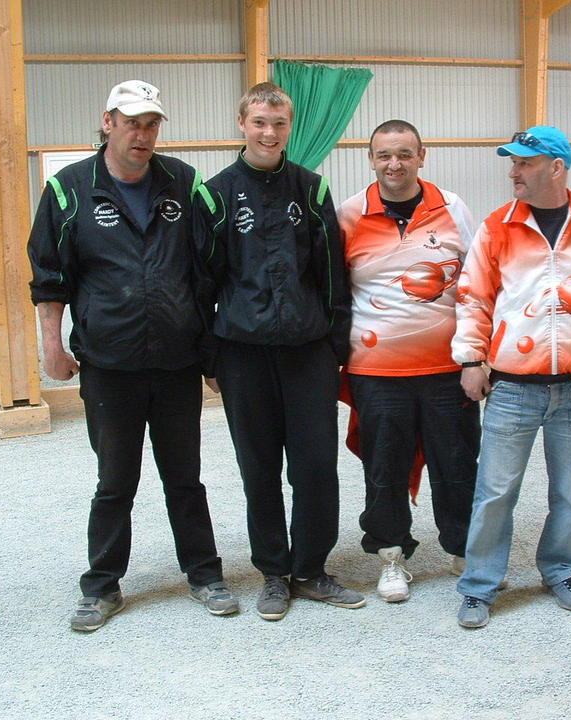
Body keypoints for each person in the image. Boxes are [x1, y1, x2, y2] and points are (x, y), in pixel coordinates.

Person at [27, 80, 236, 632]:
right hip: (109, 362)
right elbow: (49, 275)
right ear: (108, 122)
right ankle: (101, 587)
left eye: (152, 124)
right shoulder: (70, 189)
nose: (143, 134)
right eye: (133, 122)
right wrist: (52, 345)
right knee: (115, 480)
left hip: (174, 360)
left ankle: (205, 574)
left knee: (184, 476)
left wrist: (210, 354)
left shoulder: (183, 183)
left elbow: (206, 271)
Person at [452, 125, 571, 628]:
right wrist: (472, 360)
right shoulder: (496, 229)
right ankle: (479, 586)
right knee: (495, 492)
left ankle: (561, 570)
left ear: (556, 168)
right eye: (512, 163)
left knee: (570, 491)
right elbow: (474, 298)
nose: (513, 172)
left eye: (525, 163)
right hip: (512, 388)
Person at [193, 82, 362, 621]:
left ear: (291, 127)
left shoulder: (310, 189)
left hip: (308, 352)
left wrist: (335, 342)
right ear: (242, 123)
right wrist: (211, 357)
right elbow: (201, 281)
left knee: (314, 466)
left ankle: (311, 569)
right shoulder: (215, 193)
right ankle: (273, 572)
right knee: (258, 467)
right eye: (260, 122)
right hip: (243, 354)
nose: (270, 133)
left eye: (279, 123)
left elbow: (333, 271)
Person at [337, 119, 480, 603]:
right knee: (384, 468)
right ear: (370, 158)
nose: (393, 164)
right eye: (384, 155)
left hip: (447, 369)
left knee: (457, 464)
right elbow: (335, 292)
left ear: (423, 155)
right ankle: (391, 557)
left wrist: (478, 356)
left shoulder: (453, 209)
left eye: (404, 154)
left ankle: (466, 552)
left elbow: (478, 286)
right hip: (377, 372)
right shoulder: (350, 214)